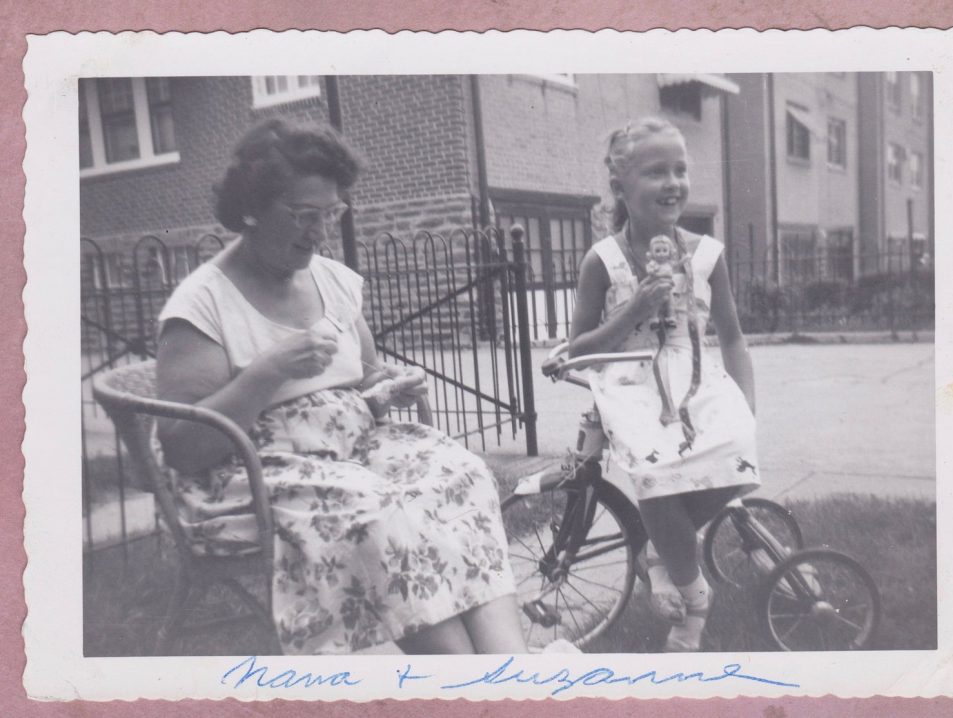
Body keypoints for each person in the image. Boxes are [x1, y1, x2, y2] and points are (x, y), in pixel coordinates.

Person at [155, 118, 528, 655]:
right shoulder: (202, 304)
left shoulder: (330, 279)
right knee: (379, 511)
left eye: (331, 213)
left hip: (352, 450)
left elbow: (366, 375)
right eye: (306, 215)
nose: (321, 231)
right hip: (262, 468)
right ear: (251, 209)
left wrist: (390, 385)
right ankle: (465, 684)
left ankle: (509, 672)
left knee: (460, 476)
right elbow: (185, 446)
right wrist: (270, 368)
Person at [568, 117, 761, 652]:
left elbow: (734, 338)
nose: (673, 182)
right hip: (629, 384)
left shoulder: (706, 255)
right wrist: (632, 309)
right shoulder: (602, 261)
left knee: (740, 459)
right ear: (621, 187)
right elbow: (578, 347)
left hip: (696, 377)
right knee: (656, 475)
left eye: (680, 170)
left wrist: (747, 407)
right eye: (656, 172)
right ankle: (694, 604)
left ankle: (657, 548)